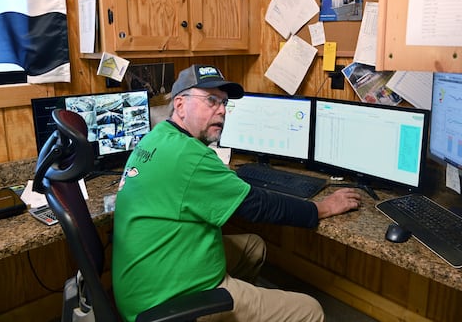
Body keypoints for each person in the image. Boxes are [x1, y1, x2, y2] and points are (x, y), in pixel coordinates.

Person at [112, 64, 362, 322]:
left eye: (224, 103)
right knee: (310, 310)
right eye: (211, 100)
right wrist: (324, 207)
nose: (221, 110)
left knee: (253, 247)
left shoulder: (158, 137)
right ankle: (223, 304)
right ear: (180, 105)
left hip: (139, 284)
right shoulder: (189, 156)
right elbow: (256, 205)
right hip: (164, 302)